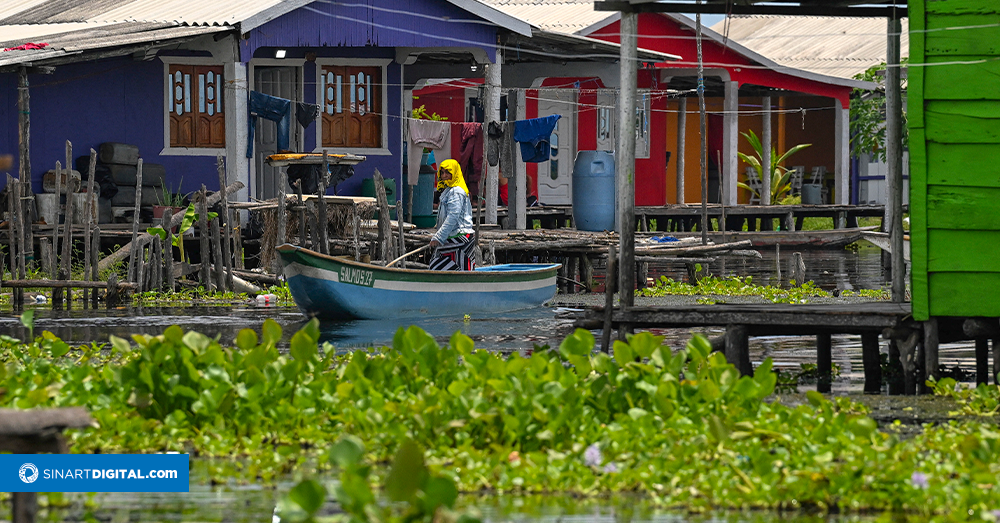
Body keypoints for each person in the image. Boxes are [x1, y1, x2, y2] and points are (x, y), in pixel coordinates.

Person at [429, 159, 476, 271]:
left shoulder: (456, 191)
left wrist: (439, 237)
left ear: (454, 173)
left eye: (448, 173)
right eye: (442, 172)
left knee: (438, 266)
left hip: (459, 237)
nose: (444, 175)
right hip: (453, 236)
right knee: (438, 265)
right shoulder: (449, 190)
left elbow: (453, 216)